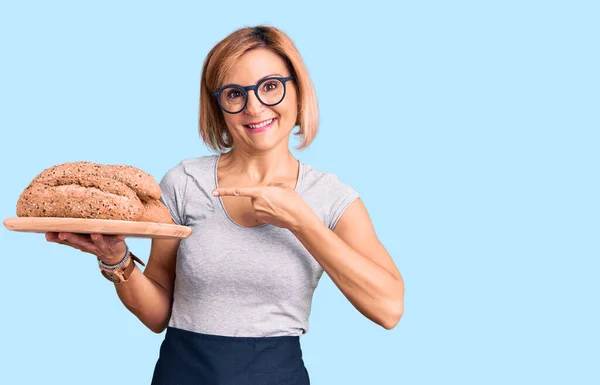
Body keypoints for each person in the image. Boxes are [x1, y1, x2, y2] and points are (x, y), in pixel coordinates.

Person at [46, 25, 405, 384]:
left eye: (270, 87)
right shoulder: (185, 183)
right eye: (235, 94)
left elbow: (388, 309)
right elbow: (158, 315)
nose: (254, 107)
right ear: (218, 106)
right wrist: (115, 259)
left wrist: (302, 222)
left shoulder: (329, 197)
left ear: (297, 90)